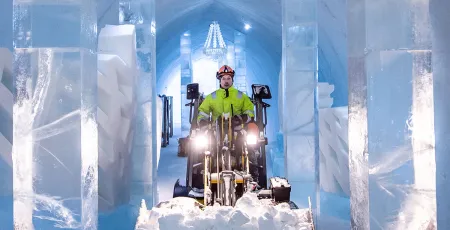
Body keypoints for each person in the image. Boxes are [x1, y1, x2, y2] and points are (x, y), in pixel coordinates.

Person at [197, 65, 260, 185]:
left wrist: (241, 118)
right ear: (219, 80)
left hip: (238, 132)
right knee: (202, 149)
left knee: (249, 149)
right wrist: (204, 122)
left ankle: (253, 180)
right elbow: (202, 113)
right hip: (216, 133)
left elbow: (250, 111)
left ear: (232, 80)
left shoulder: (241, 96)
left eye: (228, 78)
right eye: (224, 78)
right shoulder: (212, 97)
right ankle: (201, 182)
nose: (226, 81)